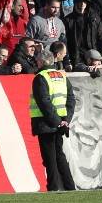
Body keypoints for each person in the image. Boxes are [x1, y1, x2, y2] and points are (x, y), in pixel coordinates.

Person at [29, 50, 75, 191]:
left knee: (49, 158)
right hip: (60, 121)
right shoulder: (62, 76)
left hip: (46, 122)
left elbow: (44, 102)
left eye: (37, 61)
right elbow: (71, 99)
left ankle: (54, 187)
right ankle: (69, 186)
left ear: (42, 62)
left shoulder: (40, 77)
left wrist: (56, 122)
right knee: (59, 155)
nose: (36, 63)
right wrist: (65, 121)